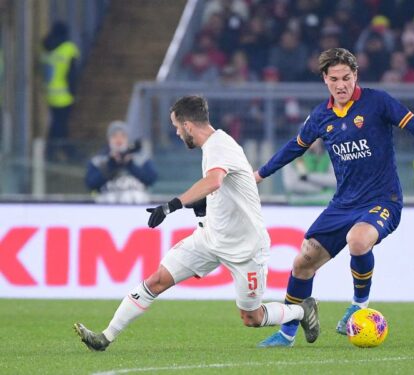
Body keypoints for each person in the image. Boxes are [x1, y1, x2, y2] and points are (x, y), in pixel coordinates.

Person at [254, 48, 414, 347]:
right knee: (303, 262)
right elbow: (295, 147)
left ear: (356, 76)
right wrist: (260, 174)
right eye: (334, 79)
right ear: (325, 80)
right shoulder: (320, 116)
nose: (341, 85)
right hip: (343, 203)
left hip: (383, 199)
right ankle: (288, 332)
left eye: (347, 78)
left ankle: (359, 305)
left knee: (358, 240)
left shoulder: (377, 102)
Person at [73, 96, 319, 351]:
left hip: (245, 247)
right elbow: (220, 189)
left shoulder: (218, 146)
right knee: (157, 280)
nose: (177, 133)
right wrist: (201, 205)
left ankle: (301, 311)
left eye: (177, 127)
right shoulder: (213, 147)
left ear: (188, 125)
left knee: (251, 318)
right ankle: (105, 337)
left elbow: (214, 181)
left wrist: (173, 205)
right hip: (209, 238)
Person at [84, 121, 158, 204]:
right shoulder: (98, 160)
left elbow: (151, 179)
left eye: (123, 136)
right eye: (114, 136)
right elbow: (91, 183)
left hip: (137, 206)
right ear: (109, 140)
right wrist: (111, 164)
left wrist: (130, 164)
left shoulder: (141, 159)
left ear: (128, 139)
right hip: (106, 207)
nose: (119, 140)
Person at [42, 21, 79, 161]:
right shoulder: (68, 48)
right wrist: (73, 92)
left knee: (56, 123)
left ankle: (53, 151)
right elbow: (72, 73)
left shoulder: (46, 47)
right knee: (61, 125)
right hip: (64, 94)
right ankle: (63, 151)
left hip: (50, 93)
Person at [281, 138, 337, 204]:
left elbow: (335, 181)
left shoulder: (331, 157)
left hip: (324, 205)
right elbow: (291, 184)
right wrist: (322, 187)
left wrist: (307, 177)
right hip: (297, 205)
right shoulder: (292, 157)